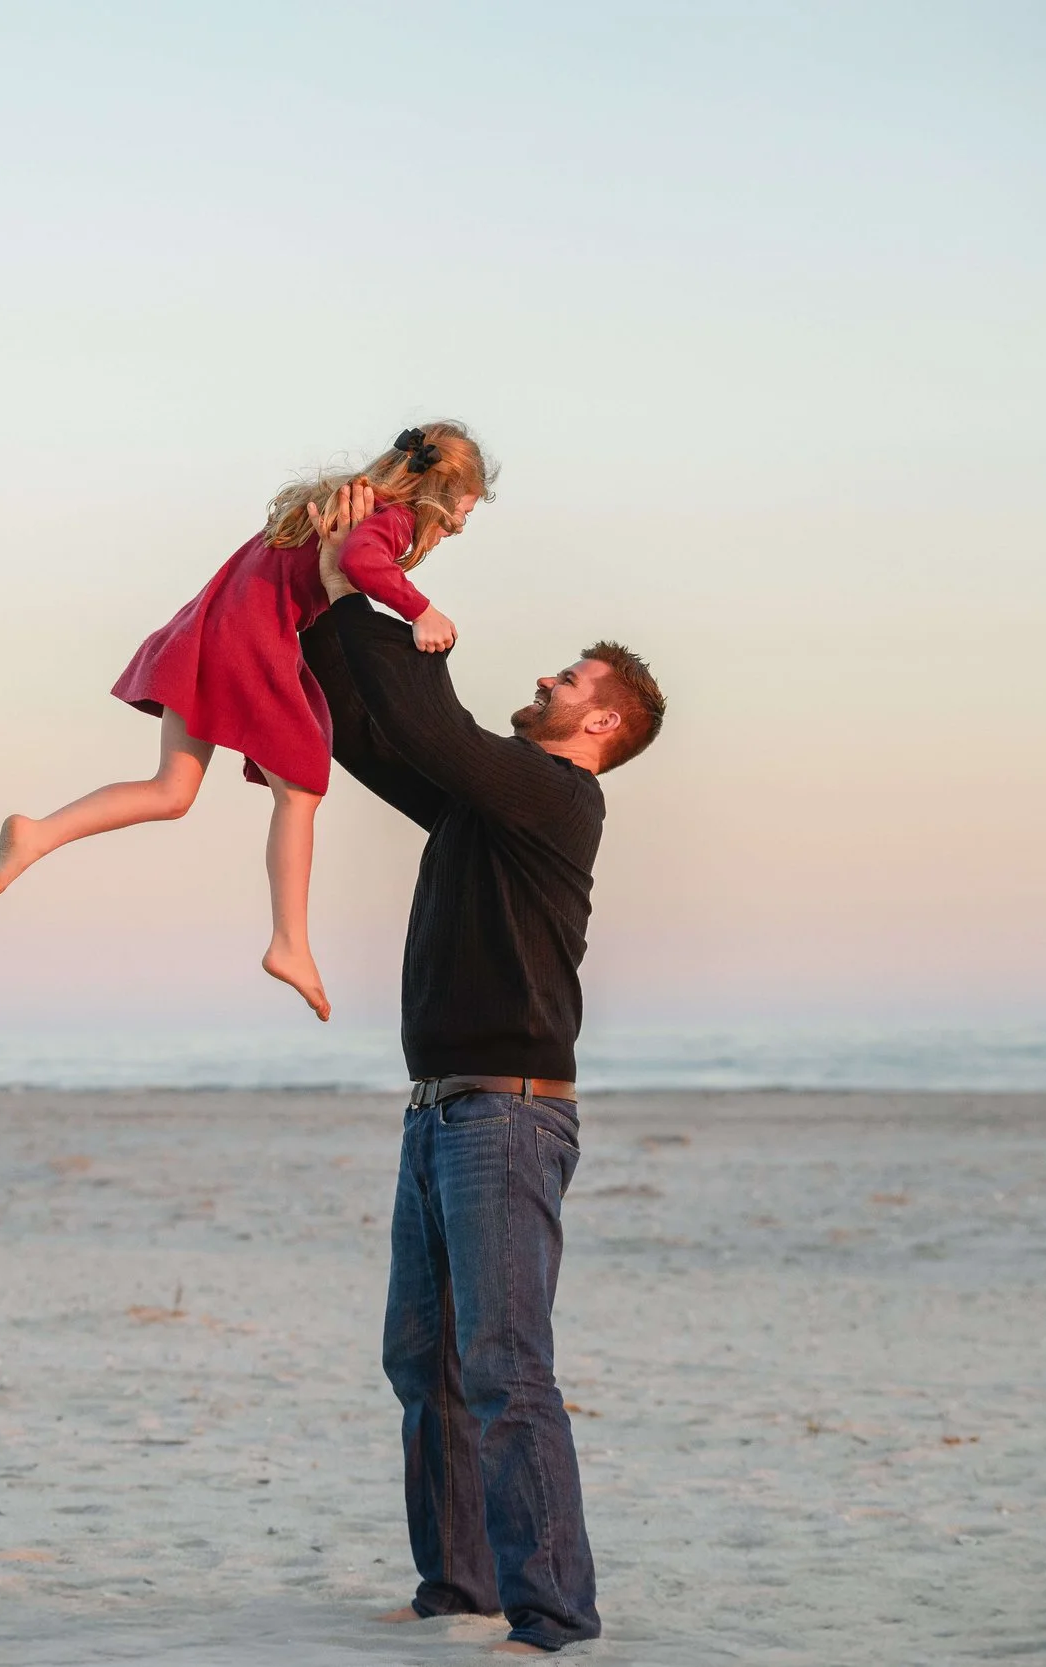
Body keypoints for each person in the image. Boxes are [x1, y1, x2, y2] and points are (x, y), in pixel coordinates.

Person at [303, 483, 666, 1655]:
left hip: (507, 1120)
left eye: (571, 679)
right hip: (438, 1113)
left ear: (598, 723)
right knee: (424, 1361)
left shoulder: (554, 793)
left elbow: (434, 731)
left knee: (506, 1366)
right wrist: (325, 587)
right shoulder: (484, 807)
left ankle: (552, 1613)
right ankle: (457, 1588)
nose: (549, 678)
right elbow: (369, 734)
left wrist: (382, 593)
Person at [0, 424, 494, 1022]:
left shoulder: (338, 500)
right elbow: (360, 560)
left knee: (171, 791)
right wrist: (422, 610)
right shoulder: (388, 516)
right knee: (300, 787)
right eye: (461, 514)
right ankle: (289, 943)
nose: (455, 529)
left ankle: (38, 834)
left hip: (207, 631)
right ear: (437, 495)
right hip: (249, 641)